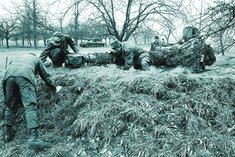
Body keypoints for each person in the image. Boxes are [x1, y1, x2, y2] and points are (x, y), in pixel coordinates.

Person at [2, 53, 62, 149]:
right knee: (30, 107)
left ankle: (7, 135)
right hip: (24, 76)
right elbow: (45, 76)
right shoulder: (36, 59)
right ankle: (34, 138)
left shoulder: (18, 57)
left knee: (10, 106)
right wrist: (54, 87)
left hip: (8, 77)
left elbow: (13, 74)